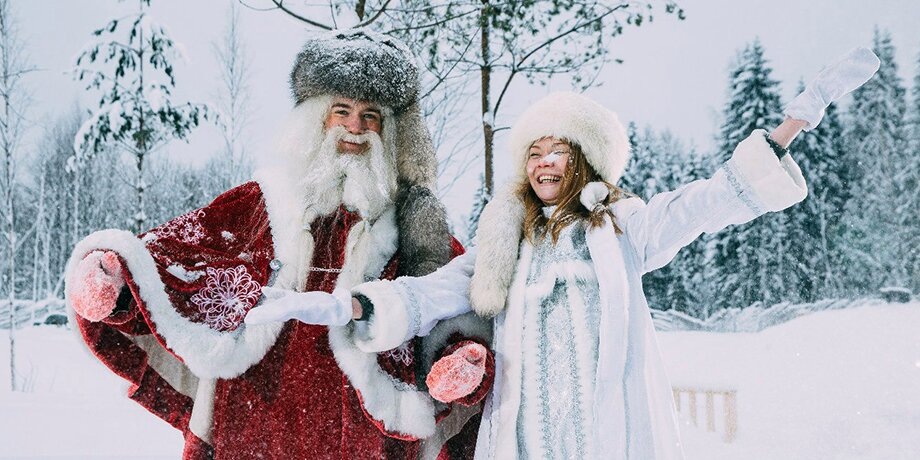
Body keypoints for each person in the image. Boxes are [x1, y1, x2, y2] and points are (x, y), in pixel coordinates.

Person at [251, 47, 881, 459]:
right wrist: (342, 306)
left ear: (583, 160)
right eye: (533, 151)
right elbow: (430, 293)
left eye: (559, 149)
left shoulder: (624, 228)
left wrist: (788, 128)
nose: (544, 160)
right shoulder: (508, 242)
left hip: (604, 439)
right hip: (523, 442)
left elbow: (706, 203)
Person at [65, 29, 493, 460]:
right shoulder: (257, 205)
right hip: (253, 425)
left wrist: (464, 362)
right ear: (316, 118)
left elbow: (454, 303)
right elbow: (176, 264)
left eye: (371, 116)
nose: (355, 128)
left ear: (390, 131)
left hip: (363, 437)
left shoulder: (416, 231)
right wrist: (119, 282)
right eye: (341, 110)